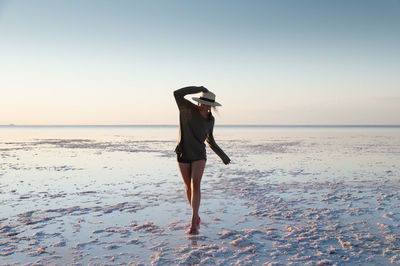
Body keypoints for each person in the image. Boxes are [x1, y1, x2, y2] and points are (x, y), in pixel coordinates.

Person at [174, 86, 231, 234]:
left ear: (212, 106)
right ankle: (196, 216)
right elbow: (177, 93)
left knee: (196, 185)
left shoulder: (210, 121)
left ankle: (193, 224)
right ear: (199, 102)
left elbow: (210, 140)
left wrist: (223, 155)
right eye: (203, 102)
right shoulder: (186, 108)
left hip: (199, 155)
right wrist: (199, 88)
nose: (205, 106)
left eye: (208, 104)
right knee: (188, 186)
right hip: (183, 153)